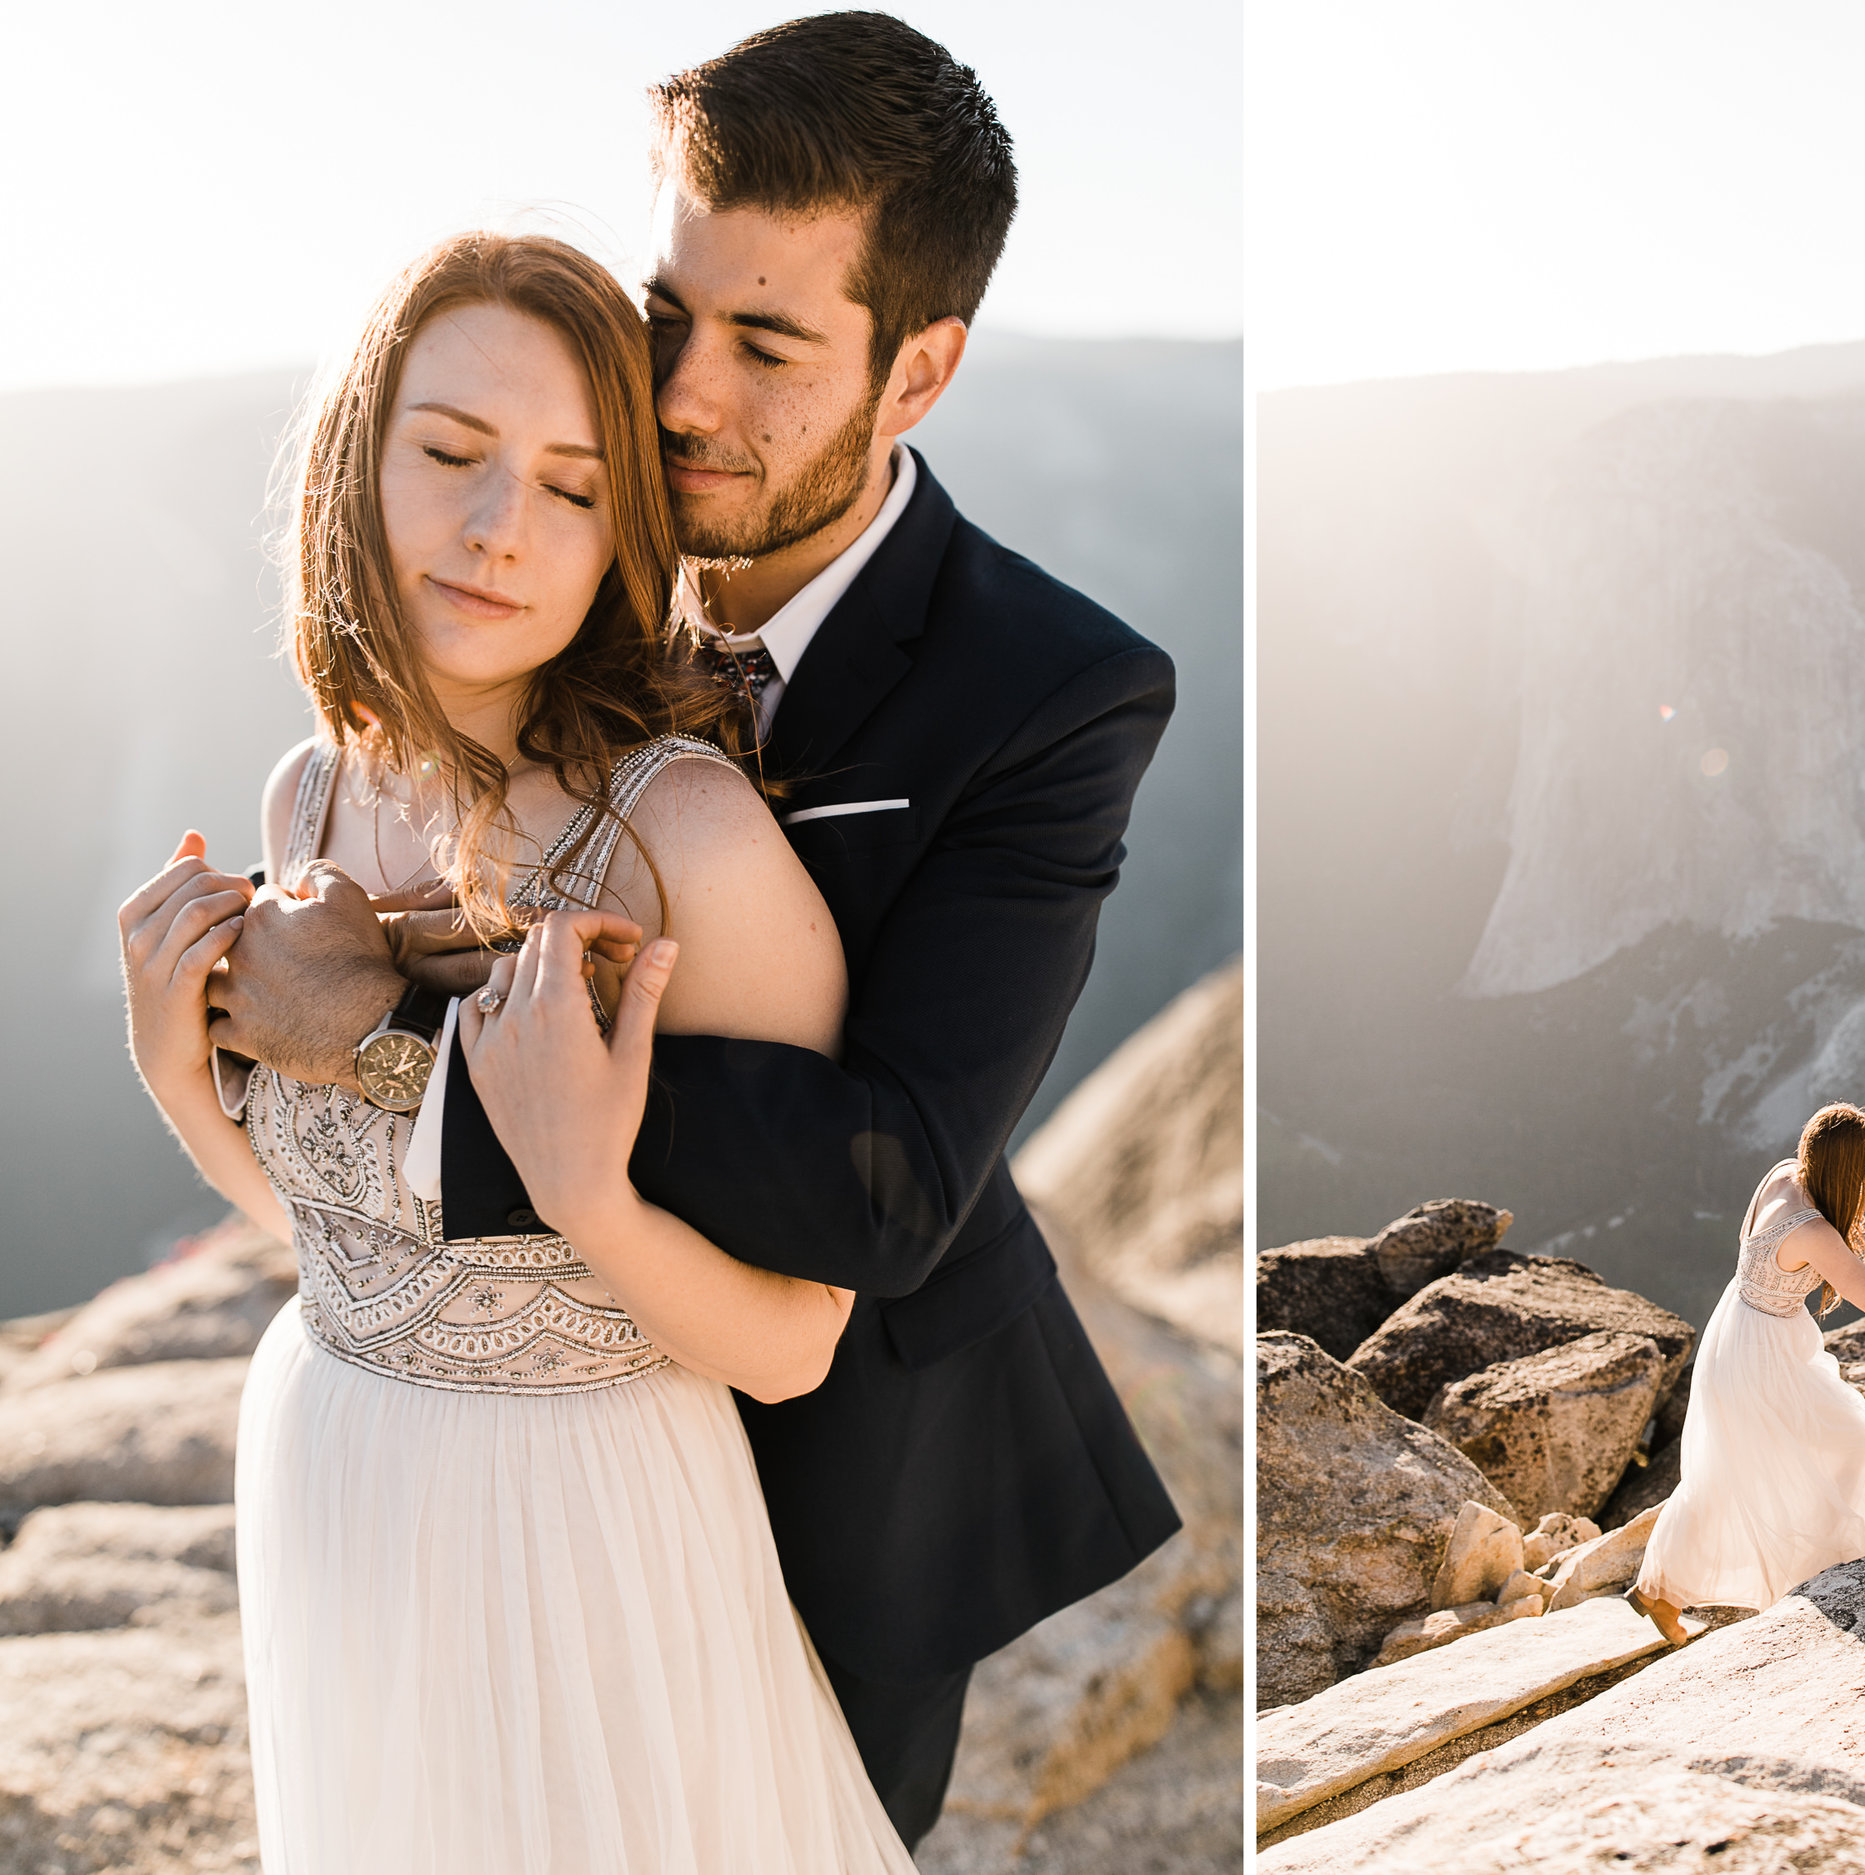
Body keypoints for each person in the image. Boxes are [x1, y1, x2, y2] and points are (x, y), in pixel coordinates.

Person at [190, 15, 1181, 1844]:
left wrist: (386, 1029)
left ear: (919, 372)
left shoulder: (1053, 693)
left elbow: (890, 1179)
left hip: (844, 1460)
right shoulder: (553, 527)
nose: (682, 399)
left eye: (772, 343)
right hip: (445, 1432)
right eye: (669, 316)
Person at [121, 232, 918, 1871]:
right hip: (337, 1468)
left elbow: (792, 1343)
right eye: (452, 456)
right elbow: (347, 1241)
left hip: (585, 1527)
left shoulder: (688, 844)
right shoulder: (311, 794)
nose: (502, 533)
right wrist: (171, 1071)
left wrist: (597, 1202)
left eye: (571, 487)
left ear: (626, 527)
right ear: (360, 463)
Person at [1629, 1104, 1865, 1645]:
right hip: (1761, 1356)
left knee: (1734, 1469)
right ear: (1845, 1168)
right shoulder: (1811, 1231)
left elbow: (1747, 1247)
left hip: (1743, 1328)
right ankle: (1813, 1578)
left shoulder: (1784, 1174)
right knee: (1835, 1443)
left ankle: (1660, 1591)